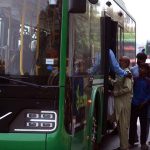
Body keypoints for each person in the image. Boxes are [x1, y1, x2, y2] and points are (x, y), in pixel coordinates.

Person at [111, 56, 133, 150]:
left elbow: (128, 88)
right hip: (120, 104)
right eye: (119, 61)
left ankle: (124, 147)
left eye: (122, 62)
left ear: (127, 63)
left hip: (124, 104)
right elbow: (116, 83)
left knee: (123, 127)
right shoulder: (121, 73)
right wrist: (109, 80)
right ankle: (122, 146)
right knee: (120, 127)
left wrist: (115, 93)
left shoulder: (127, 73)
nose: (119, 63)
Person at [129, 63, 150, 150]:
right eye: (140, 68)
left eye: (143, 69)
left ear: (147, 71)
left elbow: (149, 94)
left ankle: (143, 143)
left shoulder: (148, 81)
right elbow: (131, 91)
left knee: (144, 125)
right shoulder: (135, 80)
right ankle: (131, 142)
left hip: (144, 105)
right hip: (134, 104)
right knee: (132, 124)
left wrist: (144, 102)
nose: (141, 70)